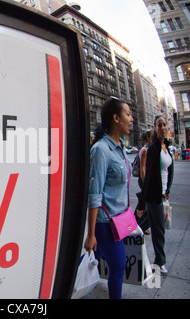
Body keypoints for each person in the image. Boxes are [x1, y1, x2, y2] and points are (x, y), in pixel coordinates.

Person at [84, 97, 134, 299]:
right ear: (116, 118)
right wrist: (91, 233)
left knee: (90, 260)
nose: (131, 119)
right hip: (106, 223)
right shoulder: (101, 151)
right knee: (119, 266)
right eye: (128, 114)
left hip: (119, 220)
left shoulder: (120, 146)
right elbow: (94, 194)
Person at [136, 114, 174, 276]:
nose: (163, 127)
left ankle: (126, 236)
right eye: (159, 125)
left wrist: (168, 189)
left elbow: (169, 170)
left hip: (162, 194)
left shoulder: (166, 147)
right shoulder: (153, 148)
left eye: (164, 124)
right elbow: (149, 176)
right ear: (155, 128)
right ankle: (160, 262)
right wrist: (142, 204)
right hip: (153, 196)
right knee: (159, 230)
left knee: (142, 224)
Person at [136, 131, 151, 234]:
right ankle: (138, 224)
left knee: (144, 203)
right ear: (148, 138)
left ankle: (141, 224)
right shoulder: (144, 150)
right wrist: (145, 182)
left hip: (147, 180)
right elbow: (142, 169)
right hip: (144, 180)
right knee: (144, 203)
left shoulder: (149, 149)